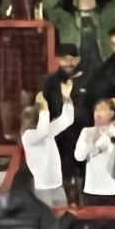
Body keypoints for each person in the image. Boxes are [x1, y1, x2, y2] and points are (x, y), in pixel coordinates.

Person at [21, 79, 74, 207]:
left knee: (62, 222)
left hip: (57, 184)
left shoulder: (47, 130)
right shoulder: (28, 137)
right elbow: (43, 131)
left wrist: (67, 98)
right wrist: (43, 106)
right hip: (42, 188)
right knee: (46, 222)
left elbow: (67, 120)